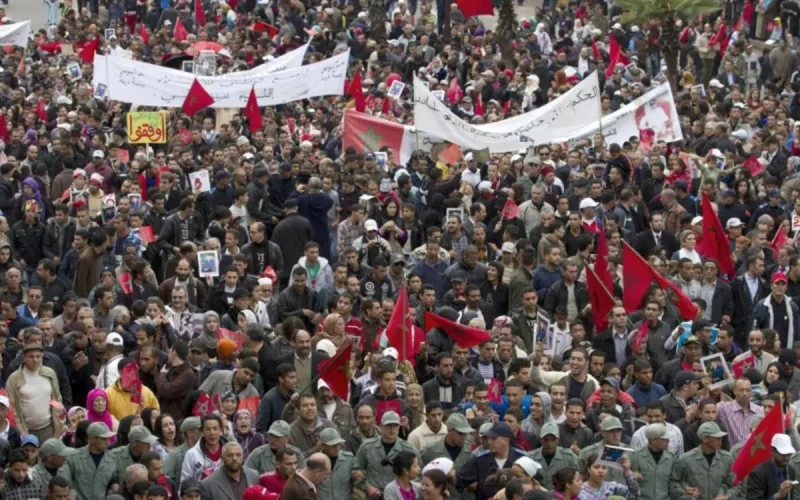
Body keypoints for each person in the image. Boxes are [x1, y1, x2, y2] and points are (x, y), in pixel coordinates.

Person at [6, 343, 63, 441]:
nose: (35, 360)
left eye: (38, 356)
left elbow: (57, 399)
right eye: (31, 357)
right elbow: (12, 408)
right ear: (24, 358)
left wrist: (58, 424)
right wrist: (21, 432)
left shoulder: (49, 373)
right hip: (26, 430)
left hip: (49, 428)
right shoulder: (14, 379)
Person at [57, 422, 119, 500]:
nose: (108, 442)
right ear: (92, 439)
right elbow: (65, 482)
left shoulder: (112, 458)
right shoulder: (73, 457)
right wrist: (72, 494)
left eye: (108, 438)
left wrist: (114, 486)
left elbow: (113, 479)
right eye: (104, 439)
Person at [748, 433, 796, 499]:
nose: (786, 458)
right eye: (782, 454)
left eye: (789, 454)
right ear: (772, 451)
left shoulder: (790, 471)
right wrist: (777, 496)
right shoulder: (758, 474)